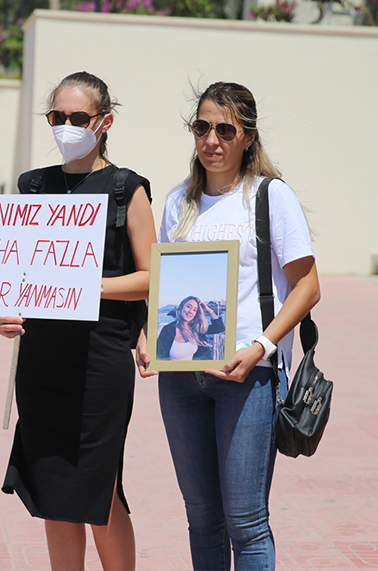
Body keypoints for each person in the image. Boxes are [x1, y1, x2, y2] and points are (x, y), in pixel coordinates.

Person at [138, 81, 321, 570]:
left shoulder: (268, 197)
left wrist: (261, 347)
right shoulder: (179, 202)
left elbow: (307, 288)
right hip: (181, 379)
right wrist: (147, 335)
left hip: (250, 378)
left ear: (247, 137)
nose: (211, 140)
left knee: (246, 522)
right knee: (201, 518)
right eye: (202, 127)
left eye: (225, 129)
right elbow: (167, 287)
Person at [0, 71, 157, 571]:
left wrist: (89, 287)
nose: (66, 125)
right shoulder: (33, 186)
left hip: (101, 359)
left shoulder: (127, 188)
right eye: (57, 117)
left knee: (100, 487)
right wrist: (8, 308)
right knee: (52, 487)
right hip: (42, 360)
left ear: (104, 121)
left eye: (78, 117)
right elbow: (16, 268)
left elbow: (154, 275)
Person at [156, 296, 224, 361]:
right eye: (188, 306)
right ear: (181, 307)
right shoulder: (167, 330)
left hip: (197, 372)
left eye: (194, 310)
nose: (190, 311)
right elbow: (160, 357)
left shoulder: (197, 328)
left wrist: (208, 310)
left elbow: (219, 327)